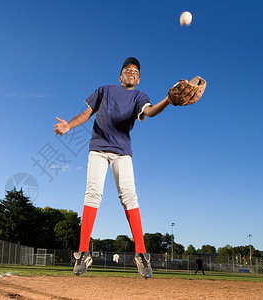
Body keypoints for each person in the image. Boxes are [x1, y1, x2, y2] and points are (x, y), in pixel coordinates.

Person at [54, 57, 194, 279]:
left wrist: (167, 99)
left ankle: (141, 254)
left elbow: (148, 112)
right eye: (127, 69)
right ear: (120, 76)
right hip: (98, 148)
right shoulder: (105, 89)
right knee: (93, 193)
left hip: (122, 152)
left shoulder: (140, 96)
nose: (132, 72)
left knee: (129, 197)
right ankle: (83, 253)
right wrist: (68, 125)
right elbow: (87, 112)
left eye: (136, 71)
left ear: (138, 79)